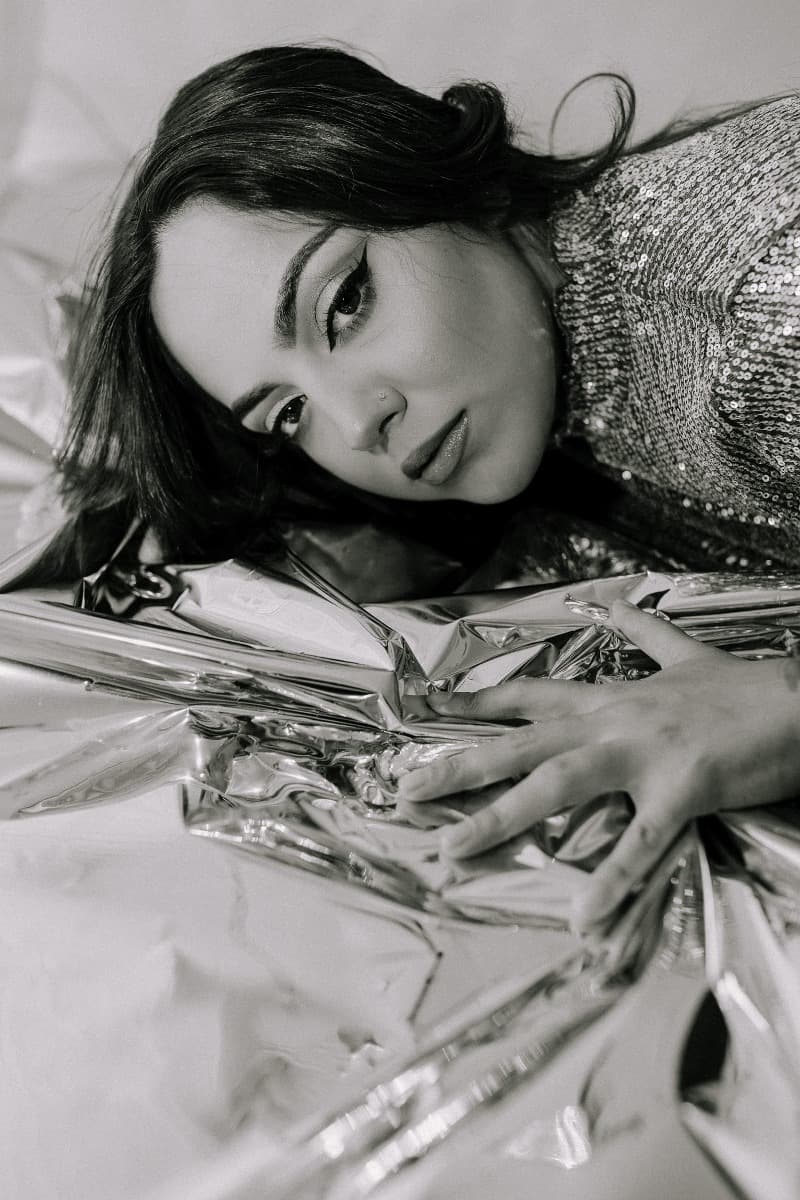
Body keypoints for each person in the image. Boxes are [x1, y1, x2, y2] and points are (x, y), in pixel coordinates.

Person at [16, 45, 800, 931]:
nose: (356, 425)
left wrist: (780, 711)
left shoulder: (759, 302)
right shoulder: (541, 463)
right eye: (286, 413)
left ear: (469, 188)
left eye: (344, 303)